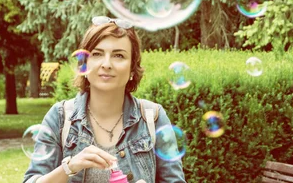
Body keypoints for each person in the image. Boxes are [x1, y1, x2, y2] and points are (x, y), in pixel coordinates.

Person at [22, 16, 187, 183]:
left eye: (119, 56)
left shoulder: (153, 118)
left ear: (132, 69)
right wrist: (69, 167)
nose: (106, 64)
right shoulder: (60, 117)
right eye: (97, 54)